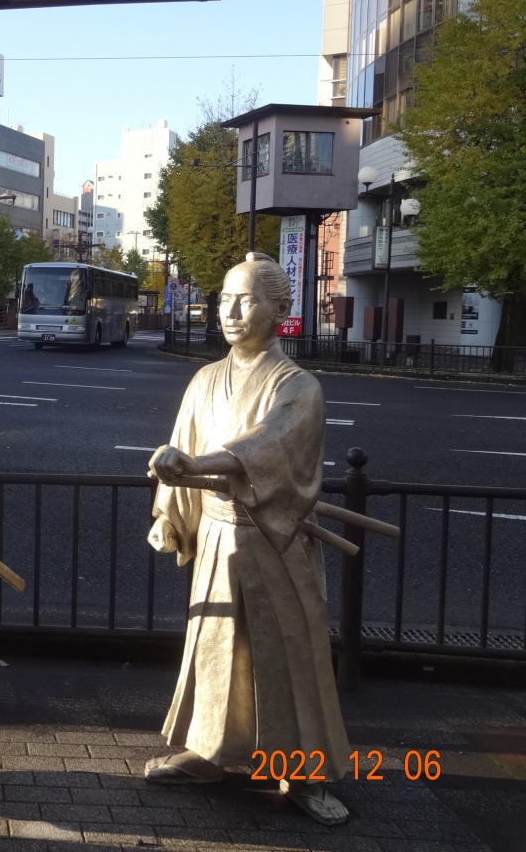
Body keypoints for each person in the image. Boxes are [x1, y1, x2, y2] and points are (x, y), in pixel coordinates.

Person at [143, 252, 351, 827]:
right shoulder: (205, 380)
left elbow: (268, 447)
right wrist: (171, 513)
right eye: (225, 300)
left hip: (272, 542)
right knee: (214, 649)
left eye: (247, 300)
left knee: (285, 655)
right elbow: (180, 446)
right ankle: (207, 752)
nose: (231, 312)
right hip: (215, 535)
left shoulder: (298, 387)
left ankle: (302, 773)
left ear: (280, 309)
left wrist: (194, 464)